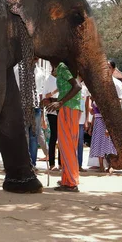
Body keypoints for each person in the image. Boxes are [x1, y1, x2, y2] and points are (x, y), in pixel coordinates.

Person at [45, 61, 82, 192]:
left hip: (68, 109)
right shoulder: (63, 66)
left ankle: (71, 182)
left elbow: (77, 87)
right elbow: (69, 90)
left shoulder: (62, 66)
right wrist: (52, 101)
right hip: (69, 108)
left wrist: (60, 102)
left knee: (67, 145)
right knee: (66, 145)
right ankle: (67, 180)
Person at [44, 65, 60, 171]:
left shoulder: (63, 79)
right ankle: (52, 163)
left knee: (61, 137)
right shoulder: (48, 79)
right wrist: (54, 92)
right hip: (52, 110)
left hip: (62, 109)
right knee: (54, 136)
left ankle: (61, 163)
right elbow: (45, 95)